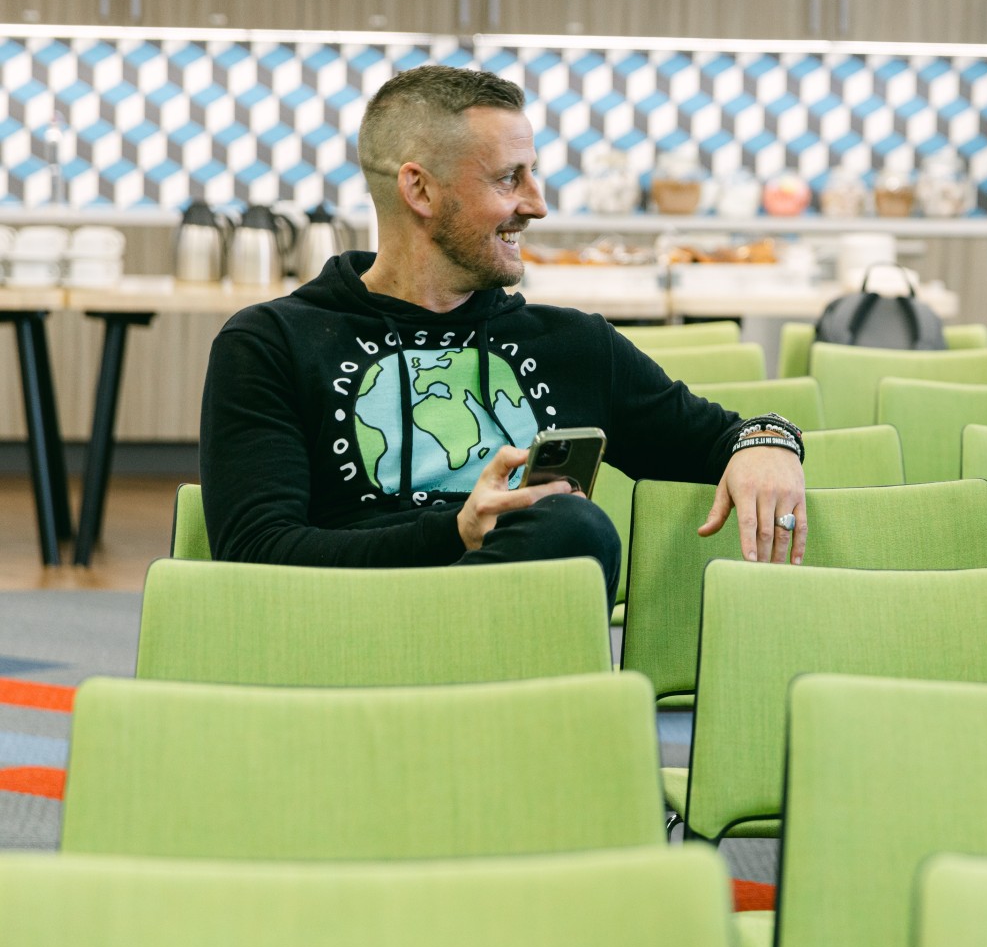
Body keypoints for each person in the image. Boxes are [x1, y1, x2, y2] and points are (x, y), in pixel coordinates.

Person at [199, 66, 807, 605]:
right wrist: (458, 532)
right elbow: (255, 554)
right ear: (420, 189)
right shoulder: (272, 342)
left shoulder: (576, 345)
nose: (537, 205)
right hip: (341, 645)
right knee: (574, 527)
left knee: (571, 526)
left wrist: (770, 443)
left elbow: (723, 437)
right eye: (509, 179)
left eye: (532, 175)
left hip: (516, 667)